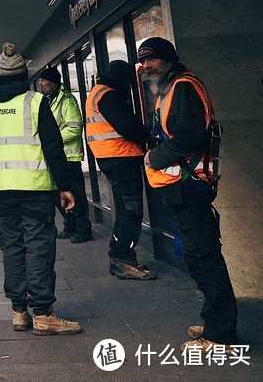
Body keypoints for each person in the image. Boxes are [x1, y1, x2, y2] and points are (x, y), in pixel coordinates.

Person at [0, 42, 81, 336]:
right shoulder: (35, 102)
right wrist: (65, 187)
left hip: (1, 193)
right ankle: (43, 314)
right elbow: (54, 148)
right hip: (34, 189)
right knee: (39, 248)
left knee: (13, 248)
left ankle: (19, 312)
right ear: (23, 75)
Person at [138, 37, 239, 353]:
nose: (146, 66)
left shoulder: (182, 87)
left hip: (189, 186)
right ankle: (215, 323)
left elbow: (188, 136)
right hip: (181, 188)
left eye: (151, 60)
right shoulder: (169, 88)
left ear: (168, 60)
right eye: (142, 61)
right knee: (198, 256)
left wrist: (154, 158)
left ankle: (221, 334)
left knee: (203, 257)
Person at [84, 60, 156, 281]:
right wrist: (150, 138)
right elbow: (126, 126)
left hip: (111, 157)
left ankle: (119, 257)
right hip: (121, 156)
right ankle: (123, 260)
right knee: (131, 211)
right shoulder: (108, 95)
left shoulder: (97, 93)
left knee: (126, 210)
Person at [37, 67, 93, 243]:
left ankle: (83, 229)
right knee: (57, 195)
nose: (40, 84)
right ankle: (70, 225)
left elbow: (75, 128)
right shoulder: (48, 100)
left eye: (44, 81)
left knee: (75, 195)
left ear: (52, 83)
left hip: (69, 158)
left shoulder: (67, 100)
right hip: (57, 158)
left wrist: (52, 139)